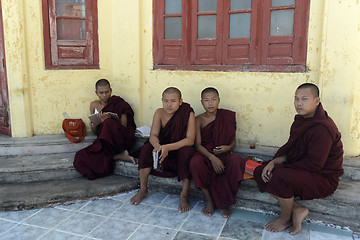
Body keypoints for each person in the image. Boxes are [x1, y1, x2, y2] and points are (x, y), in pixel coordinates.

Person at [253, 83, 343, 235]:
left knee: (280, 175)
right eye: (296, 99)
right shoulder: (302, 120)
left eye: (304, 99)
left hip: (322, 178)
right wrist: (274, 162)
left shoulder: (323, 128)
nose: (299, 103)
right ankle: (297, 208)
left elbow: (314, 164)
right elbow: (294, 151)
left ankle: (285, 217)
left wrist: (281, 167)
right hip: (304, 171)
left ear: (317, 100)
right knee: (261, 170)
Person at [130, 87, 196, 213]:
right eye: (165, 101)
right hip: (162, 146)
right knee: (145, 149)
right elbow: (153, 135)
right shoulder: (159, 113)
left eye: (173, 101)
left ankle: (184, 195)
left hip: (178, 148)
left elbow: (190, 140)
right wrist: (158, 146)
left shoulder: (188, 114)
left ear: (180, 101)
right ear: (162, 100)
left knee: (186, 153)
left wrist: (168, 147)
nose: (169, 105)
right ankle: (143, 188)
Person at [189, 87, 245, 218]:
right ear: (202, 102)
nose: (210, 103)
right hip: (205, 154)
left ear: (219, 101)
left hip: (223, 153)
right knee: (195, 162)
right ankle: (209, 200)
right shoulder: (199, 120)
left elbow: (233, 140)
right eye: (206, 100)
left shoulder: (226, 116)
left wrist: (228, 148)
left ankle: (223, 203)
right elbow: (197, 145)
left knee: (237, 161)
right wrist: (212, 158)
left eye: (213, 99)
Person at [73, 79, 136, 180]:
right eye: (101, 93)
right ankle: (118, 156)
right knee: (79, 157)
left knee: (108, 123)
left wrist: (110, 121)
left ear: (110, 90)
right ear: (96, 93)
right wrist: (94, 124)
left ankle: (117, 154)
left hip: (119, 139)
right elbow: (95, 131)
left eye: (107, 92)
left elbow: (123, 127)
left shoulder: (120, 104)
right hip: (104, 140)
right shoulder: (94, 105)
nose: (104, 95)